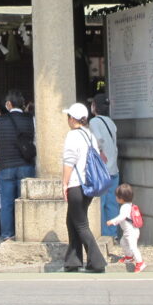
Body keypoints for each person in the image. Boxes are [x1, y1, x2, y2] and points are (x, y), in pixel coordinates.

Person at [61, 102, 106, 273]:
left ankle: (97, 261)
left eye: (68, 117)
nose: (67, 120)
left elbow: (69, 161)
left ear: (73, 119)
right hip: (89, 185)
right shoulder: (89, 135)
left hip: (75, 184)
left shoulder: (72, 135)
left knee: (80, 225)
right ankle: (73, 261)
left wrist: (64, 183)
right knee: (72, 221)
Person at [0, 89, 35, 242]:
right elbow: (36, 143)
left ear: (8, 104)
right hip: (26, 165)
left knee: (6, 203)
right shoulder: (31, 119)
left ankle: (7, 235)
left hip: (6, 166)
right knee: (26, 201)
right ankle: (26, 234)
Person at [89, 93, 119, 238]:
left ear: (95, 106)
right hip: (113, 168)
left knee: (100, 203)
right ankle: (112, 233)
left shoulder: (94, 122)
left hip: (102, 169)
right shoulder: (110, 122)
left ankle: (101, 234)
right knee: (112, 203)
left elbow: (97, 139)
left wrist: (100, 150)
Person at [106, 183, 145, 272]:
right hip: (129, 231)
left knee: (133, 247)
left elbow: (121, 217)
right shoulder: (129, 205)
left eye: (117, 196)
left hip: (131, 232)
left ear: (121, 198)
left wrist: (112, 221)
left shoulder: (125, 207)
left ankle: (140, 263)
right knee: (123, 242)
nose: (116, 198)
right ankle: (129, 257)